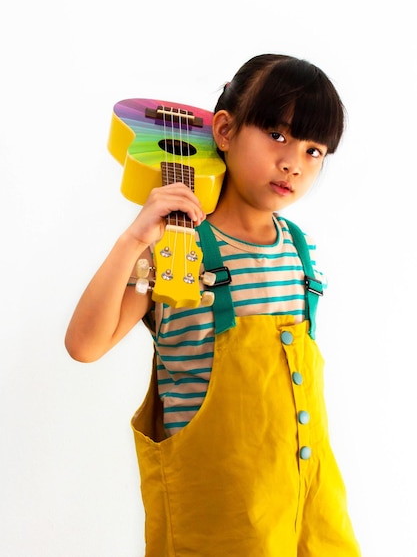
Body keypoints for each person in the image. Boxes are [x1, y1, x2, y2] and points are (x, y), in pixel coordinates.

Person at [65, 54, 361, 556]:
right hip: (217, 521)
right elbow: (84, 345)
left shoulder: (300, 249)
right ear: (224, 129)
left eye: (315, 151)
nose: (293, 162)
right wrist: (135, 238)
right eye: (278, 135)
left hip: (310, 510)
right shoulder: (178, 246)